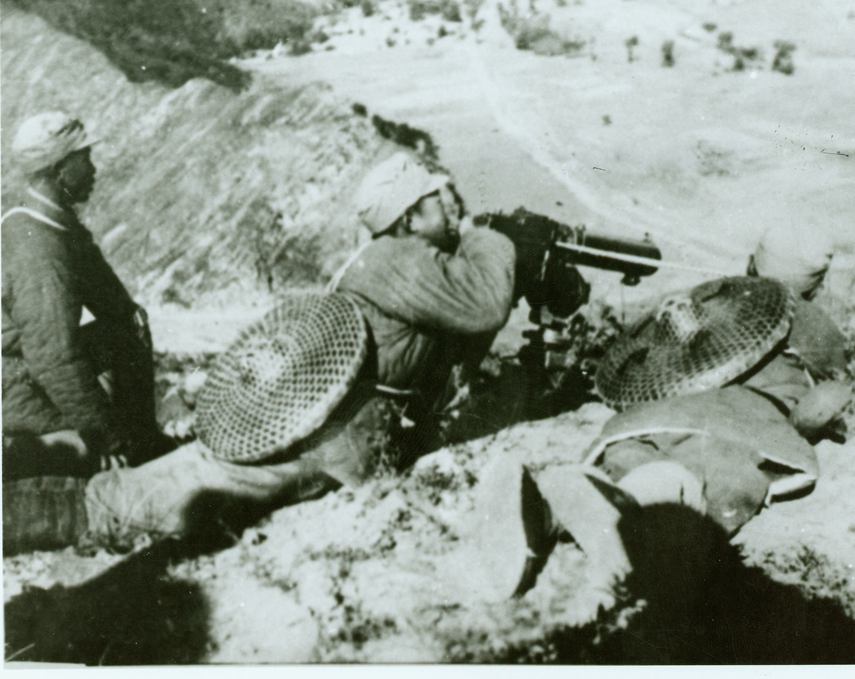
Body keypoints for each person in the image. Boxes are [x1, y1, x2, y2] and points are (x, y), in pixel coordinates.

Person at [3, 151, 518, 555]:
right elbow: (487, 302)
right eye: (437, 202)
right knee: (134, 501)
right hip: (327, 440)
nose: (451, 210)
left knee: (166, 481)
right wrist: (487, 237)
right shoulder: (400, 258)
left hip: (307, 423)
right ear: (409, 219)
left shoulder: (385, 256)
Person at [466, 225, 853, 606]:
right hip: (742, 417)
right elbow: (832, 384)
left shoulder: (716, 299)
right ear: (815, 284)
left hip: (658, 410)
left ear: (752, 264)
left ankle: (552, 511)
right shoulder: (807, 317)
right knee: (707, 473)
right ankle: (624, 536)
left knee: (631, 455)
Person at [2, 112, 166, 480]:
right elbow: (52, 356)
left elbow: (117, 307)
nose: (93, 170)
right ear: (59, 169)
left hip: (32, 371)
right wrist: (105, 437)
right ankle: (123, 448)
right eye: (84, 159)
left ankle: (142, 438)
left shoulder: (55, 226)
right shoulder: (39, 252)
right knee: (104, 455)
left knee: (129, 325)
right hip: (16, 391)